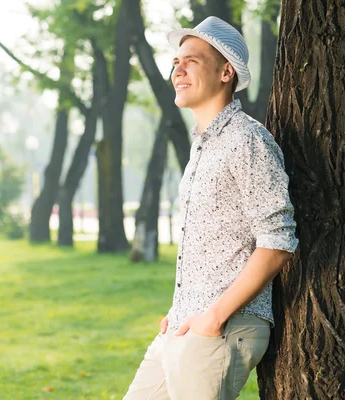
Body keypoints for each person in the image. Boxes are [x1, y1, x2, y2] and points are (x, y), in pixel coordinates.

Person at [122, 16, 299, 400]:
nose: (177, 69)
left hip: (222, 327)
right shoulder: (202, 145)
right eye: (175, 62)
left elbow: (278, 242)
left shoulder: (247, 140)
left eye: (192, 60)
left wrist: (213, 317)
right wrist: (182, 309)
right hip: (185, 326)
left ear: (226, 72)